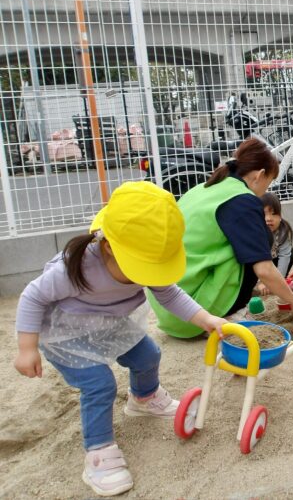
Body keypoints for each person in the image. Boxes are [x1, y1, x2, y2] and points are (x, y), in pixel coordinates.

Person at [13, 181, 227, 497]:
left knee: (148, 355)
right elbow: (33, 296)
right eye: (143, 267)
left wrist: (206, 319)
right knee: (99, 383)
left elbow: (169, 293)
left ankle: (144, 398)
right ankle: (98, 452)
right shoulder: (77, 266)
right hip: (66, 333)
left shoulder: (146, 258)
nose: (150, 274)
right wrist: (26, 348)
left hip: (109, 322)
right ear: (110, 247)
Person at [149, 138, 293, 338]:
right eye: (269, 182)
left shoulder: (204, 188)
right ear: (259, 175)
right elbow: (263, 269)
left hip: (166, 305)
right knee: (256, 245)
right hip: (192, 313)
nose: (266, 190)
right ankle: (232, 315)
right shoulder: (242, 200)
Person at [255, 192, 293, 296]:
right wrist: (261, 282)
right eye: (264, 214)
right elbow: (254, 261)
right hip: (259, 262)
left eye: (273, 213)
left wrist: (278, 282)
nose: (269, 218)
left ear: (280, 216)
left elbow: (284, 257)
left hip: (275, 260)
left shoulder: (283, 231)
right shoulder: (255, 232)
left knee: (291, 253)